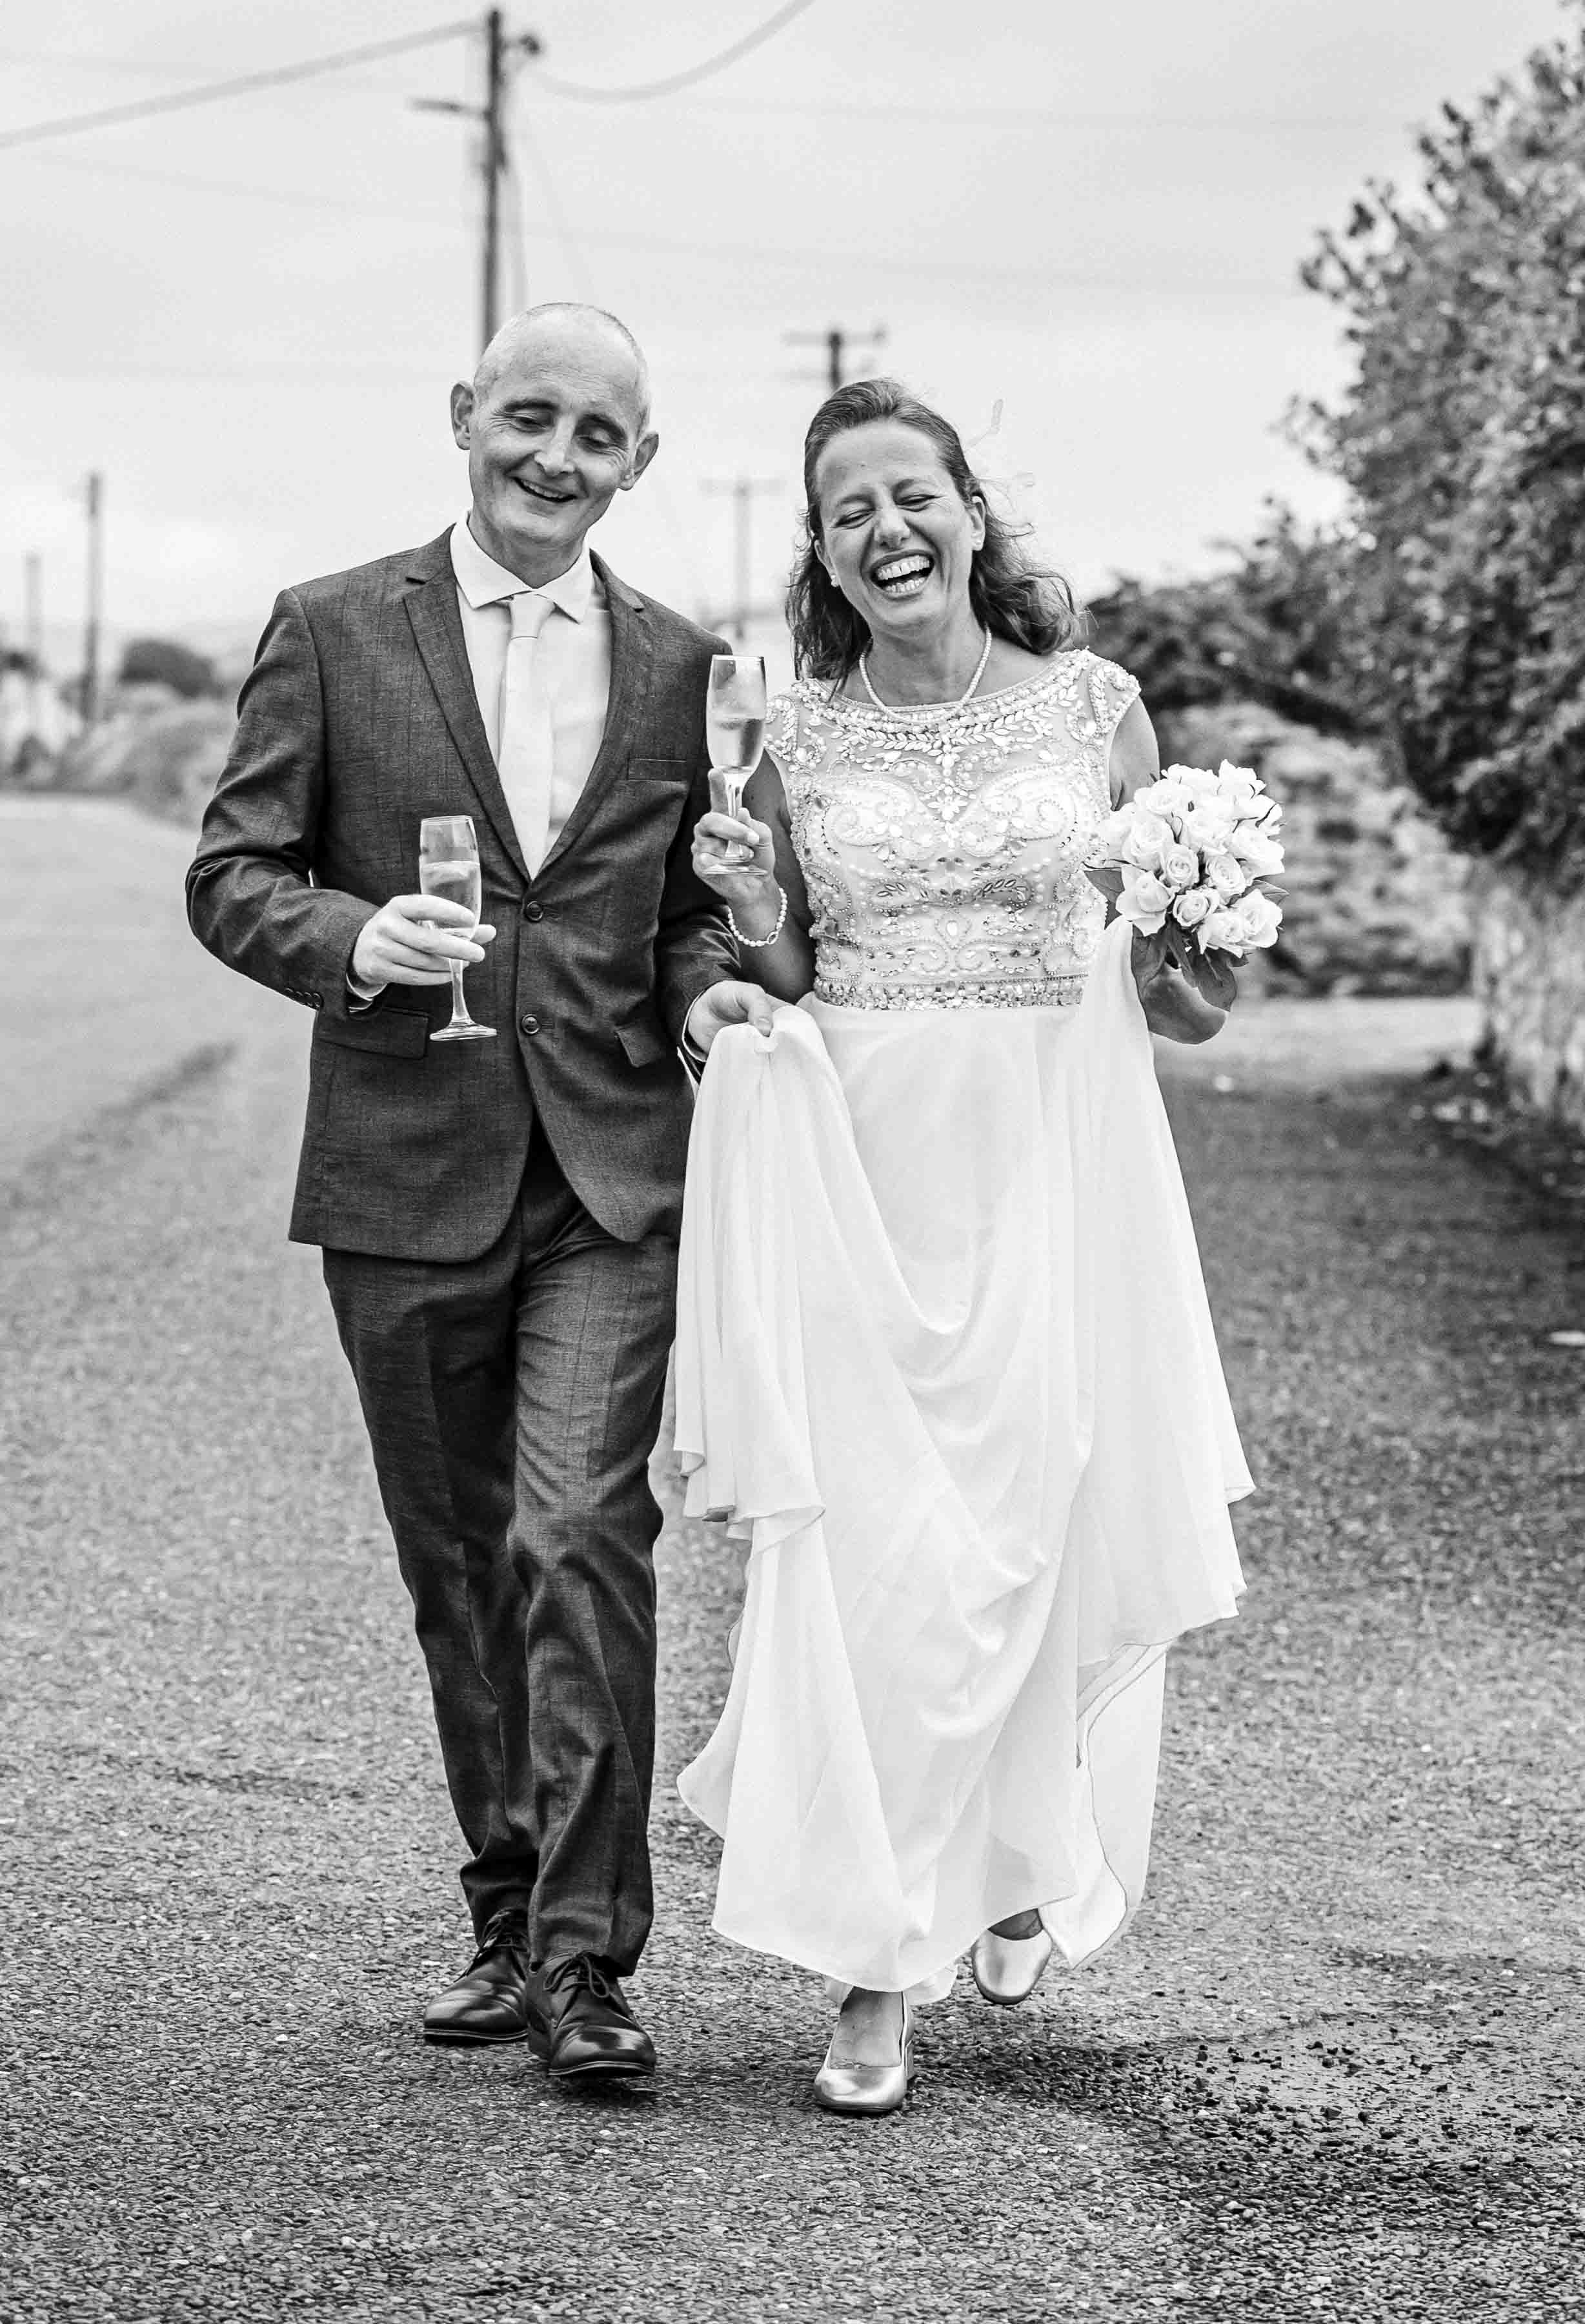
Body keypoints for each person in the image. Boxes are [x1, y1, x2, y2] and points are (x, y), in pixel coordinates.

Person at [186, 303, 772, 2081]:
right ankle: (509, 1909)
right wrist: (357, 939)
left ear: (639, 465)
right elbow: (232, 874)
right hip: (402, 1168)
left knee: (578, 1536)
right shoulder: (334, 627)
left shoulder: (679, 666)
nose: (556, 457)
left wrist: (709, 991)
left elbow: (676, 913)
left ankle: (593, 1964)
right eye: (530, 417)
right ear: (465, 415)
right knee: (460, 1569)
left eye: (599, 435)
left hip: (606, 1178)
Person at [672, 378, 1250, 2115]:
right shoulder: (803, 741)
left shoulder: (1102, 708)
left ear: (971, 513)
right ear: (824, 553)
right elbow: (781, 970)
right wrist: (747, 930)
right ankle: (872, 1963)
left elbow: (1190, 998)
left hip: (1052, 1166)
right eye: (847, 509)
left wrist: (1200, 929)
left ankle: (1016, 1850)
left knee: (1035, 1531)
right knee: (873, 1563)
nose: (885, 528)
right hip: (864, 1174)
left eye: (910, 493)